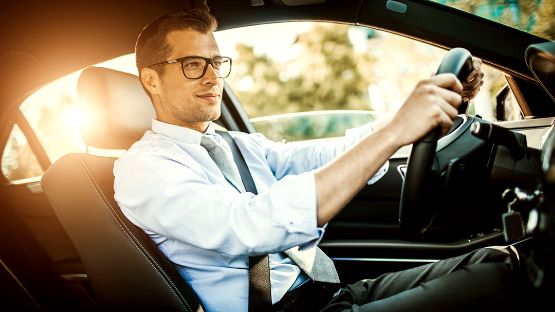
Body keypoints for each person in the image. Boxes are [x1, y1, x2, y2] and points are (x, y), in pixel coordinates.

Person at [113, 3, 529, 312]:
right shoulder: (143, 170)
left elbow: (319, 156)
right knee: (495, 284)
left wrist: (411, 115)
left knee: (497, 262)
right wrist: (399, 128)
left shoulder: (235, 145)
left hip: (327, 295)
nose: (210, 75)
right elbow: (248, 224)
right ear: (151, 79)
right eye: (192, 64)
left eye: (217, 62)